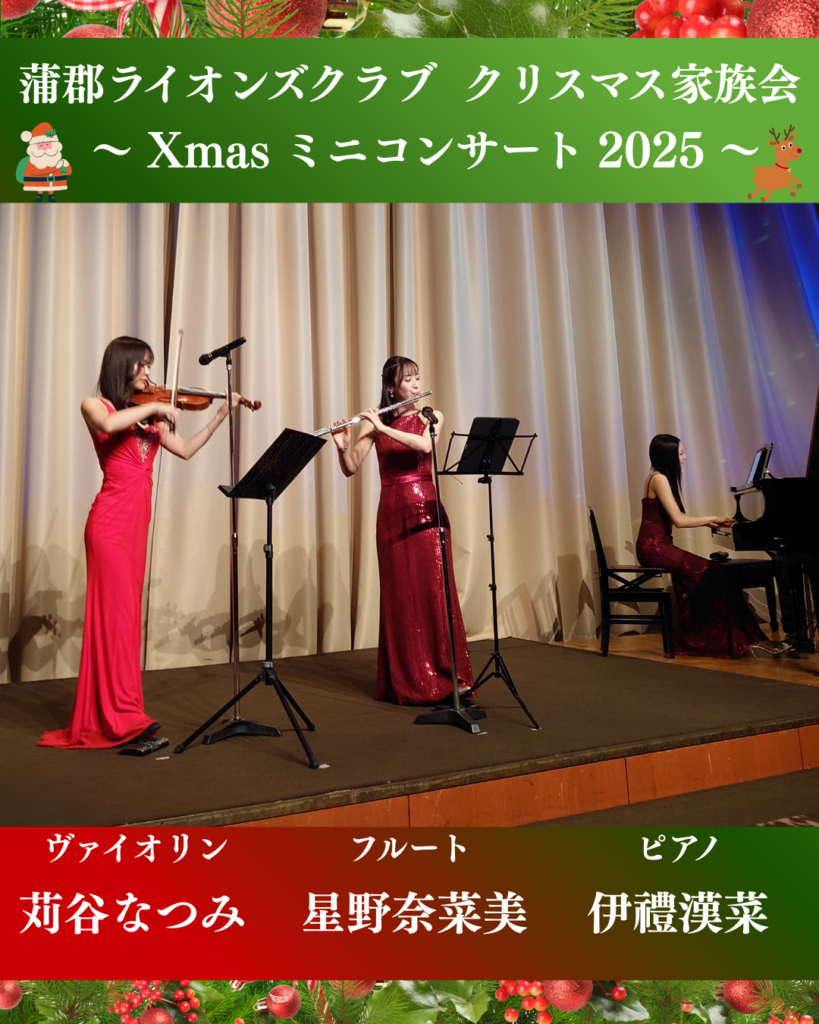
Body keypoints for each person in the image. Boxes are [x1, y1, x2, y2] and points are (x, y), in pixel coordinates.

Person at [39, 337, 240, 749]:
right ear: (122, 365)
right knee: (113, 621)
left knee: (127, 622)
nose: (149, 372)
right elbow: (109, 426)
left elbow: (185, 449)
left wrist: (220, 415)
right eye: (142, 365)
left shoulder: (149, 416)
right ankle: (114, 718)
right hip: (109, 526)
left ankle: (126, 709)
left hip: (135, 527)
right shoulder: (97, 405)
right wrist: (155, 408)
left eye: (150, 365)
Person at [330, 356, 474, 704]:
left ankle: (448, 676)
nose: (415, 384)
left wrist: (381, 428)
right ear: (391, 387)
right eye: (407, 379)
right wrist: (342, 447)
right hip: (392, 512)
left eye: (417, 377)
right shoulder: (374, 425)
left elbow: (424, 446)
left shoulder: (430, 416)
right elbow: (351, 468)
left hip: (426, 511)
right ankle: (408, 681)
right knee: (401, 597)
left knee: (435, 592)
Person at [636, 433, 790, 658]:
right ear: (668, 455)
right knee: (716, 573)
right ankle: (737, 639)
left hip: (659, 545)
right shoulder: (659, 478)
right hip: (654, 548)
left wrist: (711, 522)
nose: (685, 457)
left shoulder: (659, 478)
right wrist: (712, 518)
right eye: (681, 453)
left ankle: (717, 635)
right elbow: (679, 521)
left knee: (711, 576)